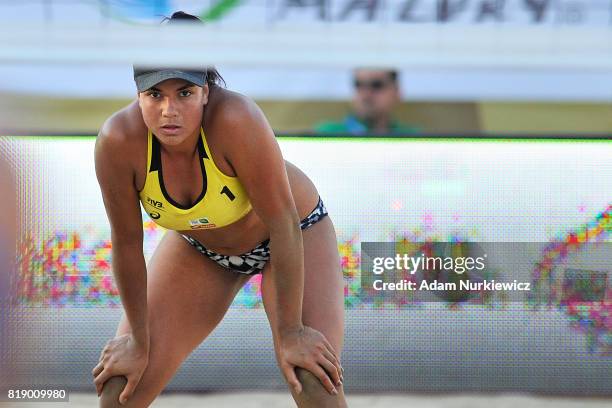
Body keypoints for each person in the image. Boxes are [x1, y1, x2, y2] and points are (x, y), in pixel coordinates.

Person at [92, 11, 346, 408]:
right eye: (154, 94)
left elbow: (282, 222)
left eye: (184, 94)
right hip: (201, 248)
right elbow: (126, 243)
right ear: (137, 93)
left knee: (313, 382)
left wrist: (292, 332)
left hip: (292, 234)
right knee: (119, 390)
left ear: (207, 90)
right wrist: (138, 341)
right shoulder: (118, 140)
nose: (168, 111)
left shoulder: (236, 119)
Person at [315, 68, 419, 135]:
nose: (366, 94)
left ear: (397, 92)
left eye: (377, 85)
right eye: (358, 84)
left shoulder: (412, 138)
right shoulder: (326, 135)